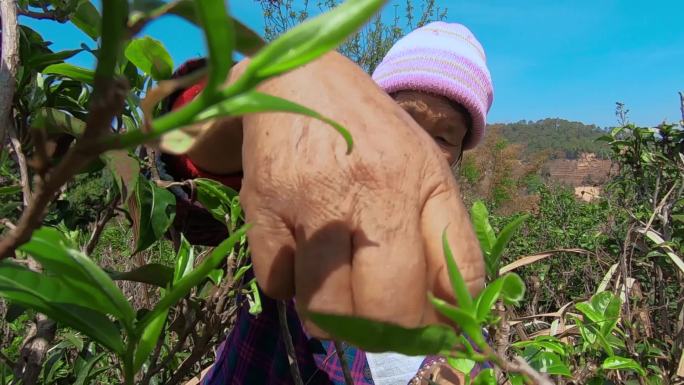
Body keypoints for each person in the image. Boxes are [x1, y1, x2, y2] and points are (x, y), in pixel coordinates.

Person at [158, 21, 493, 385]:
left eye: (445, 137)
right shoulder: (301, 192)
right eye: (403, 117)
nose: (419, 146)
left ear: (458, 156)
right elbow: (189, 174)